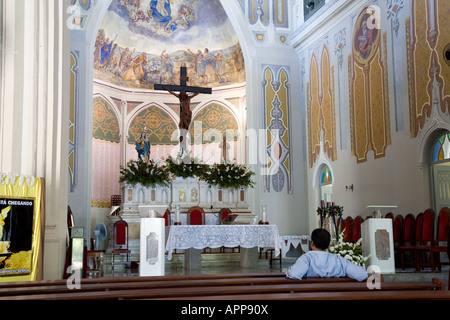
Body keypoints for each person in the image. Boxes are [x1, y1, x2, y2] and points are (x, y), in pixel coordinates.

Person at [286, 228, 368, 281]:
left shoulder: (307, 258)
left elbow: (294, 274)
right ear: (328, 245)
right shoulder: (338, 260)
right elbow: (362, 274)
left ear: (312, 243)